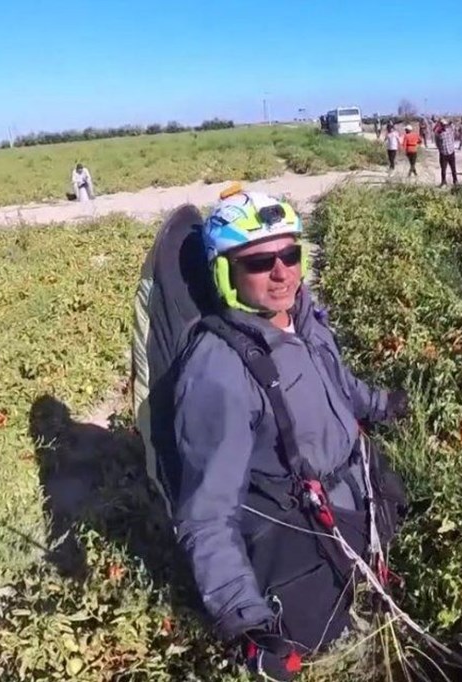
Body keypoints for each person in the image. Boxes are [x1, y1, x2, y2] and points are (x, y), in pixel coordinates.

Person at [167, 191, 411, 680]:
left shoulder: (302, 314)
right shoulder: (219, 371)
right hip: (302, 516)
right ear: (225, 273)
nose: (281, 273)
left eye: (290, 255)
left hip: (356, 485)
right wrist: (246, 618)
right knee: (314, 635)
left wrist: (383, 405)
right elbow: (208, 512)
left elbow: (338, 384)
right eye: (260, 262)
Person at [436, 118, 459, 186]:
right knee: (443, 169)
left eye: (445, 125)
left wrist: (450, 122)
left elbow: (453, 125)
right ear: (440, 125)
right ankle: (443, 182)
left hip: (451, 152)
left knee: (453, 168)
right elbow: (437, 143)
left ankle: (455, 181)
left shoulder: (450, 130)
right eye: (442, 125)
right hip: (443, 154)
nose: (444, 126)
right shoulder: (438, 133)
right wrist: (441, 150)